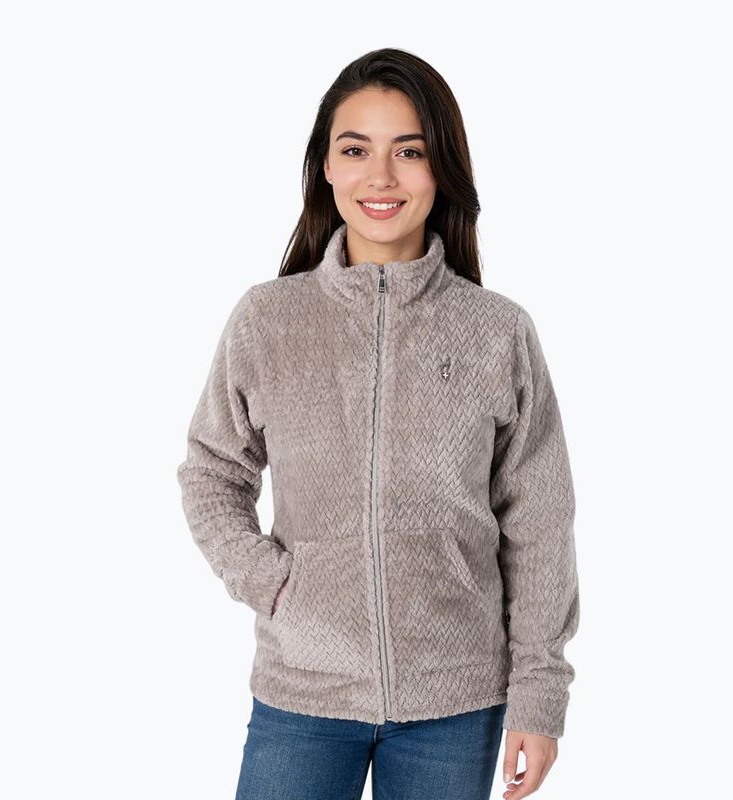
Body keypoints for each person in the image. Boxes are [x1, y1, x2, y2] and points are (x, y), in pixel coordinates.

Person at [176, 47, 580, 800]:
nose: (382, 177)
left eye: (410, 152)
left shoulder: (497, 332)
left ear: (442, 170)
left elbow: (539, 520)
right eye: (356, 150)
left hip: (456, 701)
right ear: (326, 167)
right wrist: (273, 584)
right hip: (303, 692)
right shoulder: (269, 320)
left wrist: (539, 695)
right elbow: (211, 473)